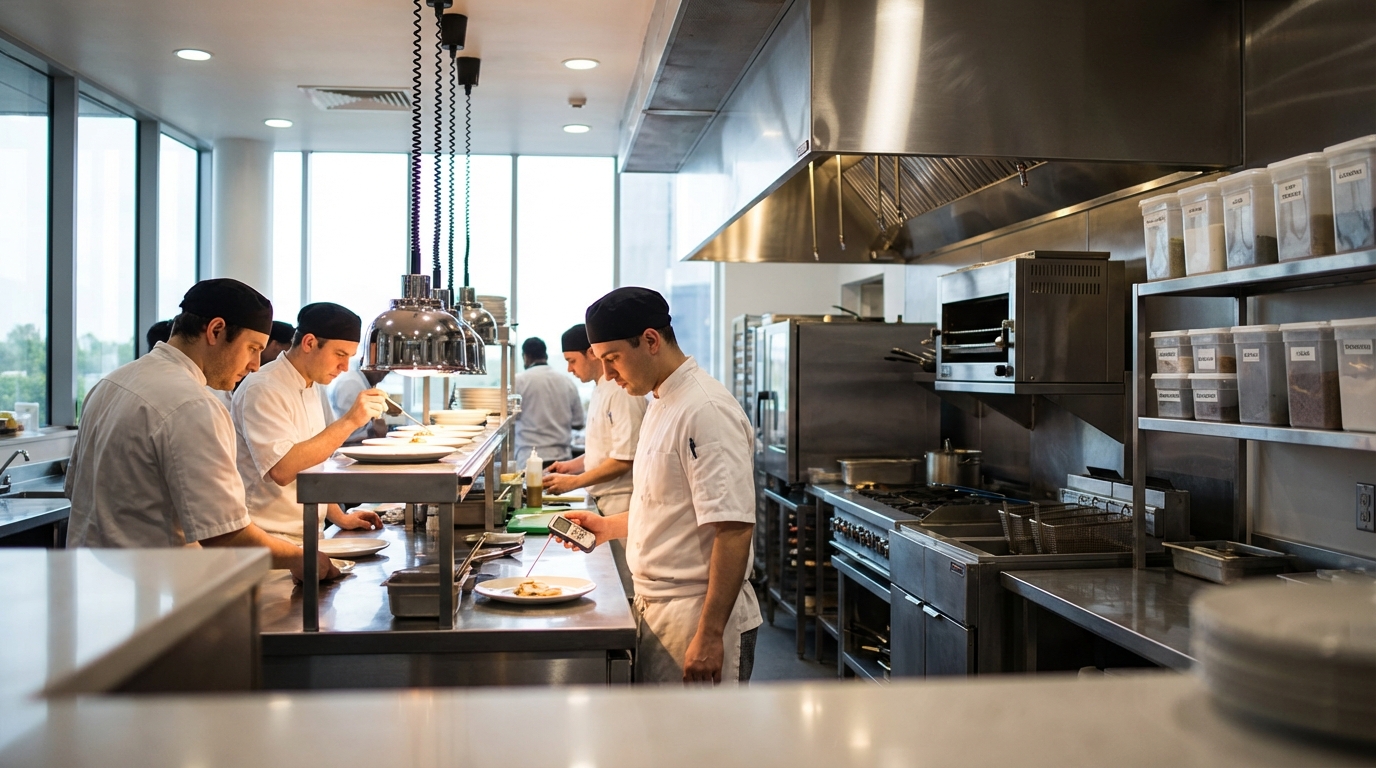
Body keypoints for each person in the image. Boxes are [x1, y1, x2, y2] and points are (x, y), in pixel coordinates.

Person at [65, 279, 339, 582]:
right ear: (216, 330)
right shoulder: (194, 405)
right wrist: (297, 557)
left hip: (91, 587)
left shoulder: (109, 384)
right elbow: (225, 533)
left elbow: (74, 490)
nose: (255, 366)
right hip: (155, 596)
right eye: (252, 348)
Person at [558, 287, 761, 685]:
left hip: (697, 613)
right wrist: (607, 527)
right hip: (663, 608)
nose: (610, 375)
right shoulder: (660, 401)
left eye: (613, 359)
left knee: (701, 746)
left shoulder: (706, 410)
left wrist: (710, 634)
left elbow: (734, 528)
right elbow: (667, 505)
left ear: (650, 340)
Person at [232, 303, 388, 541]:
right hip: (269, 538)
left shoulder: (312, 384)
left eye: (349, 358)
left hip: (308, 532)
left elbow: (312, 464)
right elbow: (283, 469)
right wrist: (350, 420)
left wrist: (339, 516)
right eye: (340, 355)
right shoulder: (263, 388)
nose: (345, 368)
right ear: (309, 343)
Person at [543, 324, 647, 517]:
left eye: (572, 361)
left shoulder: (621, 391)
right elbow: (606, 449)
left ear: (591, 353)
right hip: (603, 500)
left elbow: (625, 459)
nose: (569, 369)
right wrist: (571, 466)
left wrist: (574, 482)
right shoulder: (600, 388)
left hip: (621, 503)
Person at [513, 336, 584, 466]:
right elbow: (578, 423)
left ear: (526, 356)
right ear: (545, 355)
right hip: (562, 459)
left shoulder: (519, 381)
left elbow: (510, 419)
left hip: (529, 457)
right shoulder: (567, 381)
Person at [330, 358, 395, 445]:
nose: (382, 375)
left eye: (387, 372)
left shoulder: (359, 381)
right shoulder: (352, 383)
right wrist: (377, 425)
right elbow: (352, 432)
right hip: (349, 446)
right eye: (380, 370)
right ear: (364, 362)